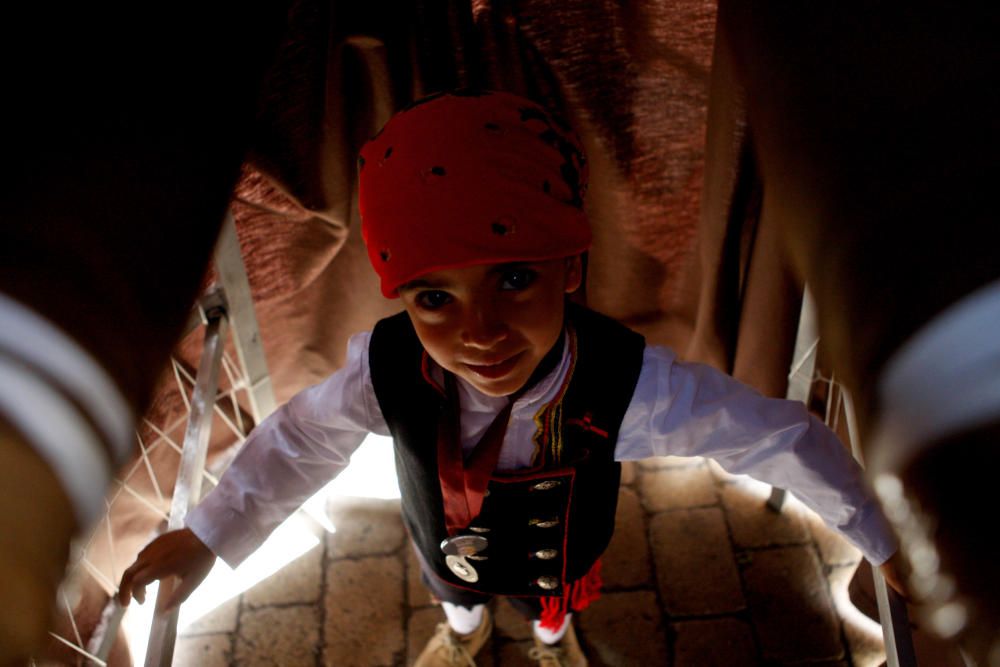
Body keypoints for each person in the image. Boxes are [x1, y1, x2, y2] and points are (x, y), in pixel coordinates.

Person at [118, 90, 904, 666]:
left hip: (559, 558)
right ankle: (464, 637)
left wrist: (878, 532)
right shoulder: (385, 370)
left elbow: (774, 436)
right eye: (436, 298)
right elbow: (298, 441)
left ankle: (552, 645)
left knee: (552, 611)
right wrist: (211, 532)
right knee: (457, 600)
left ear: (568, 265)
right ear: (404, 297)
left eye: (514, 278)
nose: (481, 331)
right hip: (448, 549)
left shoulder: (626, 382)